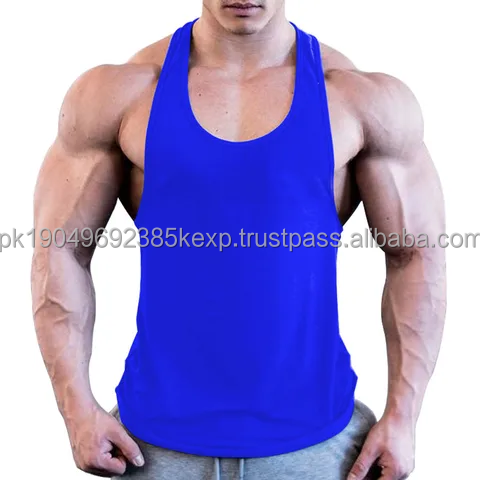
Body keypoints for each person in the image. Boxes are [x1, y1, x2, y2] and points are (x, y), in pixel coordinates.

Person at [31, 1, 446, 479]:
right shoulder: (119, 94)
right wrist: (76, 410)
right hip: (151, 448)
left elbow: (415, 254)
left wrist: (403, 418)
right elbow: (60, 247)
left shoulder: (361, 99)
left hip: (316, 446)